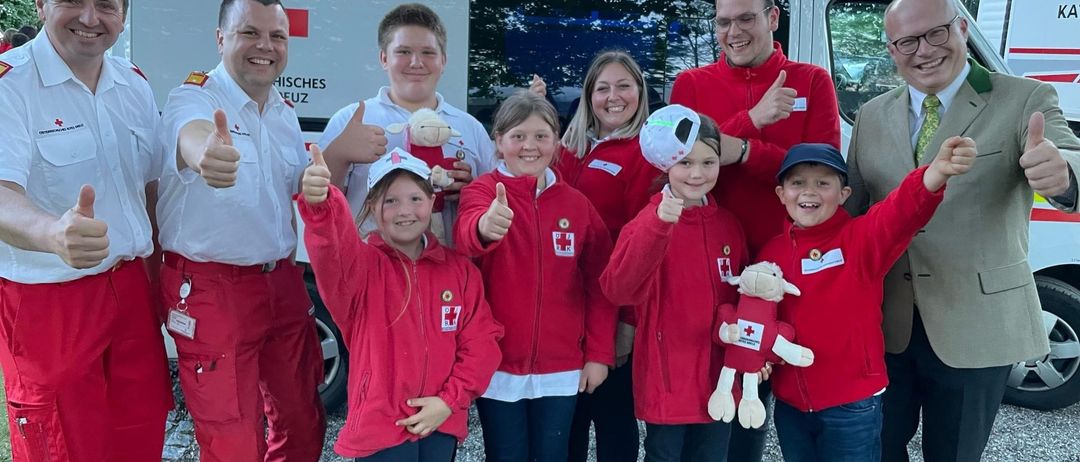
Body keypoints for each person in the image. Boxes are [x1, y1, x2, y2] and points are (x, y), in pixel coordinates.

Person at [845, 0, 1080, 460]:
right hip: (884, 323)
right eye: (907, 41)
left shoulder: (1023, 98)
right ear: (892, 50)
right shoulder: (871, 114)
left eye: (935, 33)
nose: (924, 51)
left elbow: (1067, 151)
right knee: (873, 448)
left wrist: (1065, 175)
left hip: (977, 325)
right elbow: (855, 210)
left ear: (961, 28)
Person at [0, 0, 173, 460]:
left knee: (141, 434)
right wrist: (51, 234)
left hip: (132, 290)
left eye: (107, 5)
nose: (91, 17)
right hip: (49, 304)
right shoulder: (10, 85)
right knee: (62, 444)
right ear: (40, 5)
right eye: (73, 0)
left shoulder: (132, 84)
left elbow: (150, 189)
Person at [155, 0, 326, 460]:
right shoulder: (195, 98)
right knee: (231, 436)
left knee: (303, 420)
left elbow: (289, 186)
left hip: (282, 281)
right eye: (250, 33)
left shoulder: (282, 112)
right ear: (221, 39)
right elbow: (192, 138)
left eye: (277, 37)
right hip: (213, 287)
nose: (265, 47)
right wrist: (205, 154)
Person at [670, 1, 841, 456]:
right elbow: (681, 164)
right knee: (702, 393)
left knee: (757, 399)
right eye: (723, 22)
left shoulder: (811, 81)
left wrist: (744, 149)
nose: (733, 32)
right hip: (706, 262)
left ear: (772, 17)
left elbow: (818, 178)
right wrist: (753, 122)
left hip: (781, 271)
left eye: (746, 18)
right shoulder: (691, 83)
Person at [755, 140, 973, 461]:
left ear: (843, 195)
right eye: (797, 182)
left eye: (823, 183)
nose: (809, 192)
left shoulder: (861, 239)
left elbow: (900, 212)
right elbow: (761, 316)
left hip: (851, 406)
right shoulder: (770, 253)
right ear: (781, 194)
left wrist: (935, 173)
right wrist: (758, 356)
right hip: (790, 406)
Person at [298, 145, 504, 461]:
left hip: (440, 421)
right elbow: (331, 249)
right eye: (390, 201)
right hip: (380, 428)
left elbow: (481, 345)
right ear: (371, 207)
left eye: (415, 199)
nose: (404, 210)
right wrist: (322, 205)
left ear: (433, 202)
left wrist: (449, 401)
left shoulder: (460, 271)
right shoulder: (360, 267)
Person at [453, 91, 616, 462]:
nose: (530, 146)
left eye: (541, 136)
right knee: (505, 454)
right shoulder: (482, 192)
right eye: (518, 136)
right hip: (498, 364)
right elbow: (467, 235)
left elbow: (600, 283)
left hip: (562, 366)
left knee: (553, 454)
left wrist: (599, 353)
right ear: (498, 142)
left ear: (556, 142)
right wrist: (485, 226)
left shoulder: (576, 204)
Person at [601, 105, 748, 462]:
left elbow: (744, 299)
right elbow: (618, 288)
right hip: (667, 378)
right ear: (666, 164)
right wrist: (658, 226)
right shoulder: (647, 221)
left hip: (720, 379)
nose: (697, 173)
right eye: (685, 162)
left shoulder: (728, 224)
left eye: (708, 162)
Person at [543, 50, 656, 462]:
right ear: (589, 95)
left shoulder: (647, 153)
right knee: (568, 421)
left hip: (611, 309)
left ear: (640, 93)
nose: (613, 96)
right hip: (562, 310)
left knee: (613, 423)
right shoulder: (565, 149)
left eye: (624, 86)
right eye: (602, 87)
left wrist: (628, 321)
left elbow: (642, 248)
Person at [319, 3, 495, 244]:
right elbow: (316, 201)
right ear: (384, 58)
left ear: (443, 61)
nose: (416, 62)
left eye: (428, 52)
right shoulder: (350, 119)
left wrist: (472, 191)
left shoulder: (470, 128)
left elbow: (494, 202)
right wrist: (339, 154)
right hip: (371, 270)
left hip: (448, 272)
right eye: (403, 52)